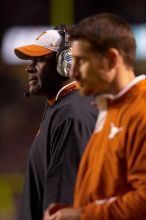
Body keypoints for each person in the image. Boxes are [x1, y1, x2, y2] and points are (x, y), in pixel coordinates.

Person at [44, 13, 146, 220]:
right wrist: (70, 210)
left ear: (110, 59)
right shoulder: (111, 109)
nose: (74, 73)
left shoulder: (141, 110)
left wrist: (82, 215)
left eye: (81, 61)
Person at [14, 25, 98, 220]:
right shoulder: (62, 106)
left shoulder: (72, 114)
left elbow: (62, 208)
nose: (30, 67)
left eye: (39, 59)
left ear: (66, 62)